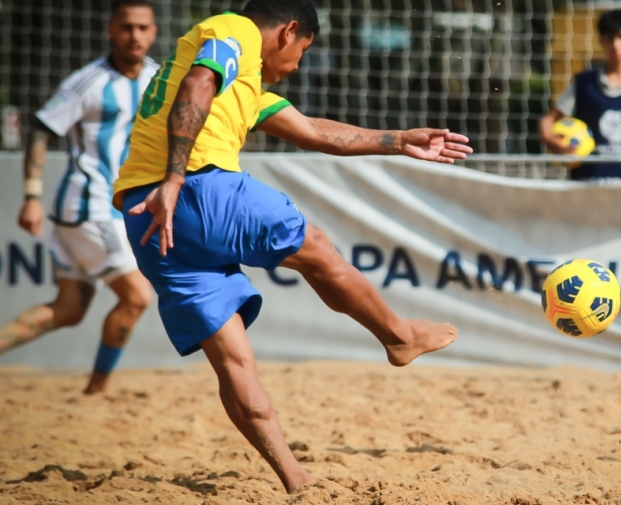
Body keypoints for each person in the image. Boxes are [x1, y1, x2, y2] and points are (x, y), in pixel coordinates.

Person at [112, 0, 472, 493]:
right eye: (303, 51)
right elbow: (199, 84)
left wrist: (397, 139)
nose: (298, 65)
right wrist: (175, 180)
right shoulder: (233, 30)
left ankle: (294, 478)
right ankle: (398, 335)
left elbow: (313, 132)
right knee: (317, 248)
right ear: (289, 31)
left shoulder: (242, 88)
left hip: (145, 218)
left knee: (233, 361)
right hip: (192, 188)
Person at [0, 0, 157, 395]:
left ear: (154, 32)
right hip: (90, 206)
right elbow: (40, 130)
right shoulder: (88, 81)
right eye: (126, 27)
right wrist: (32, 196)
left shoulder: (159, 79)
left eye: (142, 27)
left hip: (109, 210)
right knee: (137, 297)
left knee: (67, 311)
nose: (134, 35)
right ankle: (97, 392)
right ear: (110, 30)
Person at [540, 9, 621, 181]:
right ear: (601, 41)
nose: (616, 45)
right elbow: (548, 120)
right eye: (610, 38)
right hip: (590, 184)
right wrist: (551, 139)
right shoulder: (583, 84)